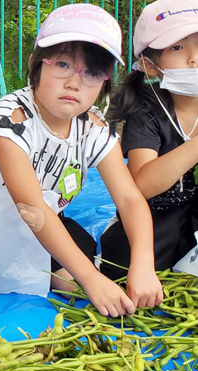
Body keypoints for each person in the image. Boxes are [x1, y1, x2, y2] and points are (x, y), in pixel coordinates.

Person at [0, 4, 163, 318]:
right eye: (62, 64)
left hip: (42, 227)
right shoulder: (10, 117)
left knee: (86, 286)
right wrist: (91, 279)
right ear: (35, 65)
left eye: (91, 72)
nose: (75, 83)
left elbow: (129, 199)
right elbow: (31, 206)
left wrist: (144, 265)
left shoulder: (95, 125)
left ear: (104, 82)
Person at [100, 0, 198, 281]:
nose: (194, 58)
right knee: (124, 267)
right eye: (177, 48)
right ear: (149, 64)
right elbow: (142, 184)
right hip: (153, 217)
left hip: (194, 214)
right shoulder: (147, 111)